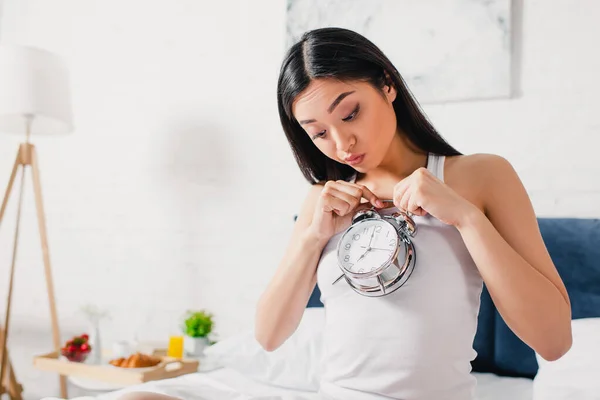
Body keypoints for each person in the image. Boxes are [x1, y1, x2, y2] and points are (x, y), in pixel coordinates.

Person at [118, 27, 572, 400]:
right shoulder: (324, 199)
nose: (342, 145)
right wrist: (313, 238)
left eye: (350, 114)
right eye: (318, 133)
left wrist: (468, 219)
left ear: (387, 84)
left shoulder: (481, 176)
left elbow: (554, 342)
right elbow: (269, 336)